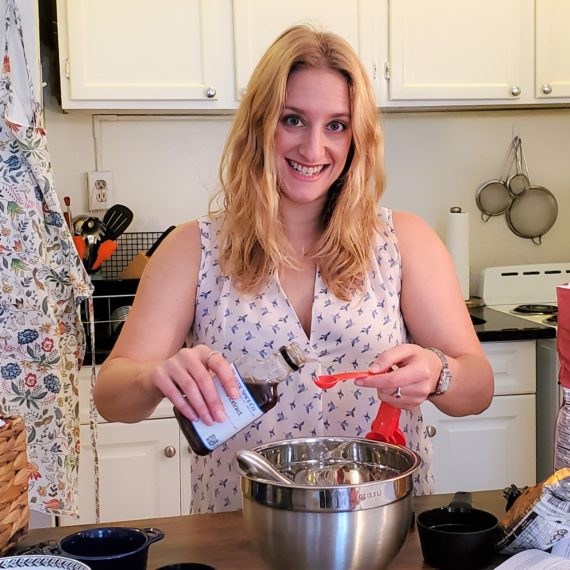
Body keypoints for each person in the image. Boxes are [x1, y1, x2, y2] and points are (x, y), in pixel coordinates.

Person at [94, 25, 493, 513]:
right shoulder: (191, 248)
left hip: (380, 527)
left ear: (357, 137)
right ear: (261, 124)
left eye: (337, 125)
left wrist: (438, 373)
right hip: (241, 531)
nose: (313, 149)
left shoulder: (404, 242)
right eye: (293, 119)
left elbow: (478, 388)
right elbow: (111, 398)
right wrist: (156, 375)